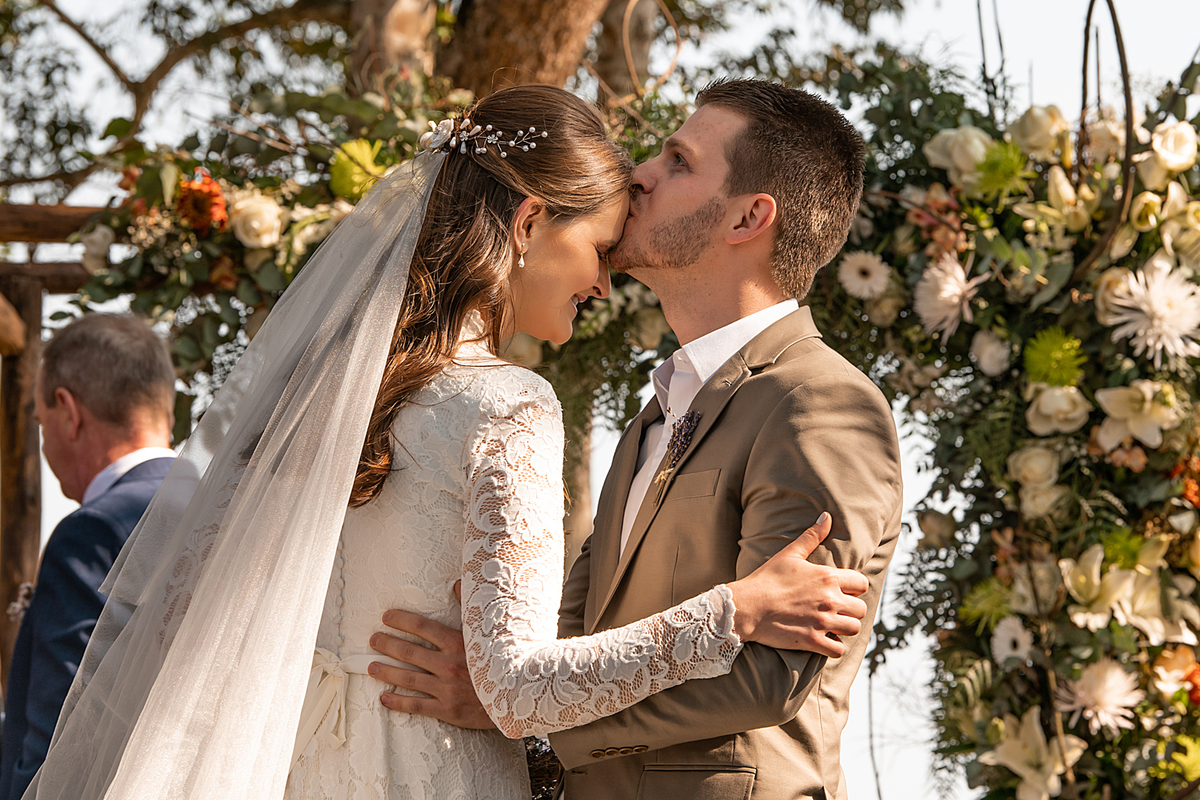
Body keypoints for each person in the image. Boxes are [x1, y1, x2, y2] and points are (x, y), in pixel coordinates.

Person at [26, 85, 869, 800]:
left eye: (678, 161)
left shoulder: (322, 394)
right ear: (533, 220)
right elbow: (518, 688)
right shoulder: (510, 404)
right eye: (597, 249)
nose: (603, 281)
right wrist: (738, 609)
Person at [370, 79, 904, 800]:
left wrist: (523, 718)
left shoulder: (821, 402)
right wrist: (512, 683)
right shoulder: (654, 415)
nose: (640, 175)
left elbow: (768, 674)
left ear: (749, 216)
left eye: (678, 161)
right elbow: (569, 628)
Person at [0, 314, 176, 800]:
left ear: (67, 411)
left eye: (40, 423)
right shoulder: (226, 507)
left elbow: (60, 744)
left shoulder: (92, 534)